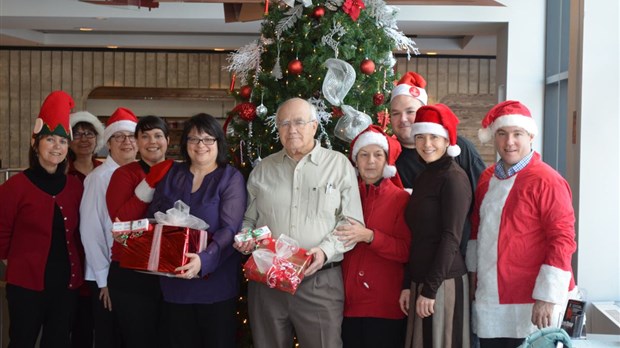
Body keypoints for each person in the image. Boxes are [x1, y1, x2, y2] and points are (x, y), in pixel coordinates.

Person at [234, 97, 364, 348]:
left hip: (319, 283)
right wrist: (246, 238)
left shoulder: (337, 165)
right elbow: (249, 218)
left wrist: (325, 251)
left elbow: (350, 221)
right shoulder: (263, 170)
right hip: (268, 281)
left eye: (299, 122)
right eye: (284, 123)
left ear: (314, 126)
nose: (291, 129)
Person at [467, 100, 577, 348]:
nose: (509, 142)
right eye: (502, 134)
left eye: (518, 134)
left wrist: (547, 296)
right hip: (491, 302)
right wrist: (474, 282)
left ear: (531, 136)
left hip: (533, 305)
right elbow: (477, 233)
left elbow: (562, 239)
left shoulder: (547, 180)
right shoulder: (487, 178)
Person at [146, 113, 247, 348]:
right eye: (193, 139)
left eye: (208, 139)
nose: (201, 145)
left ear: (218, 143)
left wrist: (203, 260)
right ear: (185, 144)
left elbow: (230, 228)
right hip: (174, 283)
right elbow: (153, 215)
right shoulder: (172, 174)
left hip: (215, 285)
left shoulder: (230, 177)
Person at [0, 91, 84, 347]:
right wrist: (18, 265)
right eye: (50, 139)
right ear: (34, 143)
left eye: (62, 141)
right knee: (22, 340)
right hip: (26, 285)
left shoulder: (75, 186)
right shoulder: (14, 187)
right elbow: (1, 235)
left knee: (58, 341)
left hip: (67, 284)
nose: (57, 147)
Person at [390, 71, 486, 256]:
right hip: (408, 257)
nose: (402, 119)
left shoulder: (460, 148)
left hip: (458, 257)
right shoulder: (387, 156)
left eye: (410, 111)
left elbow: (483, 201)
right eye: (395, 113)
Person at [399, 104, 472, 348]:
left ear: (447, 141)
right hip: (422, 279)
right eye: (420, 137)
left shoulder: (454, 177)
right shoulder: (425, 175)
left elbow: (451, 238)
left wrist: (430, 290)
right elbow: (417, 236)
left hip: (443, 282)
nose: (426, 143)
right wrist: (409, 284)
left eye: (434, 137)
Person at [335, 125, 411, 348]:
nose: (370, 161)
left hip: (383, 306)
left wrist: (370, 237)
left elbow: (406, 250)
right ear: (355, 161)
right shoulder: (344, 194)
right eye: (364, 155)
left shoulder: (400, 199)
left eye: (378, 155)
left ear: (387, 161)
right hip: (347, 304)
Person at [105, 115, 173, 347]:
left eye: (157, 135)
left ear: (168, 140)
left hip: (167, 274)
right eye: (144, 136)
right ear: (137, 141)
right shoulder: (124, 175)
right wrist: (150, 182)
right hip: (131, 275)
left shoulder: (178, 172)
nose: (151, 141)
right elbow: (120, 222)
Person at [80, 107, 138, 348]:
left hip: (132, 272)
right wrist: (104, 280)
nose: (126, 142)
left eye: (132, 136)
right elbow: (90, 232)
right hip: (107, 275)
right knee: (109, 338)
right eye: (118, 136)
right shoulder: (99, 178)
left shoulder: (140, 173)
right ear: (109, 144)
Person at [67, 110, 105, 348]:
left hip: (101, 248)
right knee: (78, 321)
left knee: (101, 319)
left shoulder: (106, 170)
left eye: (89, 133)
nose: (83, 139)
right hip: (73, 249)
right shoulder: (64, 172)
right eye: (77, 134)